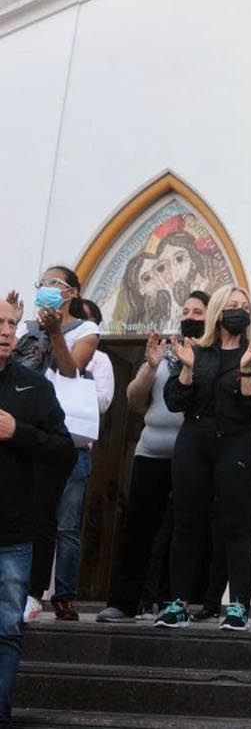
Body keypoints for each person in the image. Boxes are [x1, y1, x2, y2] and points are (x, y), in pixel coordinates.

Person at [155, 284, 251, 631]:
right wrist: (189, 368)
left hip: (236, 442)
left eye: (245, 305)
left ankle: (237, 605)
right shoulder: (199, 351)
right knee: (186, 523)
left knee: (235, 526)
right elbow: (176, 400)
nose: (240, 310)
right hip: (194, 441)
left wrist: (248, 370)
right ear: (219, 310)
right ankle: (177, 602)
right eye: (233, 304)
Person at [97, 292, 210, 624]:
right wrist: (150, 366)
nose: (190, 316)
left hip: (191, 454)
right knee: (139, 528)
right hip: (151, 450)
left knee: (182, 530)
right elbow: (133, 400)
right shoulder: (163, 351)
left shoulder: (212, 354)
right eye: (186, 310)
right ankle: (124, 602)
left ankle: (173, 601)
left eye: (198, 312)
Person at [9, 267, 100, 623]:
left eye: (53, 284)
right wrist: (16, 323)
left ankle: (38, 593)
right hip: (18, 429)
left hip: (55, 436)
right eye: (41, 284)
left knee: (49, 519)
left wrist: (54, 332)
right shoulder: (21, 329)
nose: (45, 289)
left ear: (71, 292)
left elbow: (70, 369)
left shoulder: (86, 330)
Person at [0, 296, 75, 723]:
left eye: (12, 323)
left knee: (7, 631)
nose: (7, 331)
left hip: (12, 537)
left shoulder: (33, 386)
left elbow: (64, 450)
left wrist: (19, 432)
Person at [44, 299, 113, 621]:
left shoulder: (99, 361)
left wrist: (74, 381)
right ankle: (30, 592)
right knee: (35, 523)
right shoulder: (42, 347)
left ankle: (64, 597)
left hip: (74, 449)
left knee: (67, 528)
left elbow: (101, 402)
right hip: (42, 444)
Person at [201, 418, 251, 617]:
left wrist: (244, 456)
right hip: (226, 500)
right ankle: (211, 605)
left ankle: (240, 604)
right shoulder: (229, 435)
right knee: (219, 554)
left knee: (244, 554)